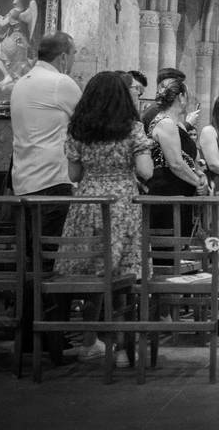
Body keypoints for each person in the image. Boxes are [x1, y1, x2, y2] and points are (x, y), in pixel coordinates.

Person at [55, 71, 153, 363]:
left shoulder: (79, 129)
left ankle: (89, 339)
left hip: (88, 200)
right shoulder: (132, 128)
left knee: (92, 271)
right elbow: (146, 171)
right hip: (121, 201)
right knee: (124, 270)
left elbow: (74, 174)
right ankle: (124, 341)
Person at [10, 32, 80, 262]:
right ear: (62, 58)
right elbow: (87, 123)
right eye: (73, 55)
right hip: (53, 181)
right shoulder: (60, 82)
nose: (72, 62)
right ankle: (47, 299)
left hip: (24, 181)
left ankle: (28, 299)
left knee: (31, 257)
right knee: (53, 258)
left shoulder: (21, 82)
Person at [145, 78, 209, 232]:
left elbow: (188, 159)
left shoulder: (178, 124)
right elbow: (176, 164)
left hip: (180, 192)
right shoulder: (165, 123)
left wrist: (201, 175)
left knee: (180, 248)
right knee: (169, 249)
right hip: (167, 193)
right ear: (180, 97)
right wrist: (197, 182)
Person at [0, 0, 37, 86]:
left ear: (20, 0)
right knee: (20, 64)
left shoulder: (13, 11)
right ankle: (14, 78)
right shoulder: (19, 12)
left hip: (15, 38)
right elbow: (4, 19)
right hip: (21, 40)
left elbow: (2, 22)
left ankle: (7, 75)